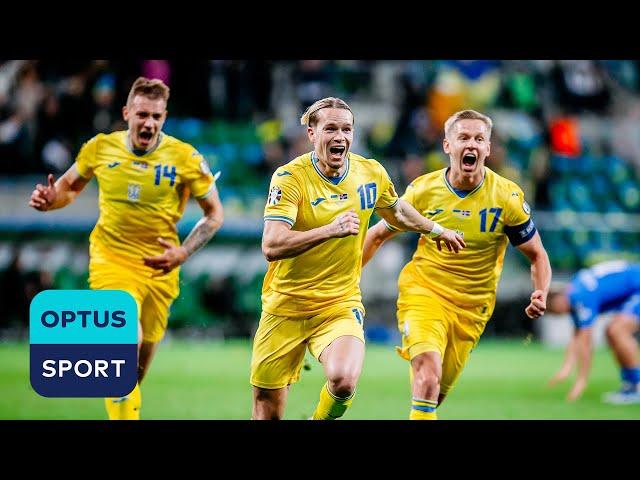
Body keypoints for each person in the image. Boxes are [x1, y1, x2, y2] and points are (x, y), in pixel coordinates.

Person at [251, 97, 465, 420]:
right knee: (267, 412)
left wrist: (436, 229)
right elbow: (272, 243)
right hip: (285, 305)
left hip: (338, 303)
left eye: (347, 129)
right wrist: (329, 230)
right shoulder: (289, 178)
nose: (340, 137)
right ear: (312, 133)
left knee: (343, 381)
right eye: (331, 129)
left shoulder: (370, 173)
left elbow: (396, 210)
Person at [28, 77, 224, 420]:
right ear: (127, 113)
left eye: (157, 117)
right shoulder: (100, 148)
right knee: (122, 346)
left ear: (164, 118)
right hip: (111, 260)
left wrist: (183, 253)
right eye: (142, 114)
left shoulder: (185, 158)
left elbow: (213, 215)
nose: (149, 123)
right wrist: (50, 201)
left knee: (134, 373)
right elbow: (67, 188)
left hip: (161, 269)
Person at [362, 109, 552, 420]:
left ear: (488, 149)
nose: (472, 145)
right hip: (425, 293)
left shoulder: (506, 198)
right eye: (463, 137)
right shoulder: (423, 191)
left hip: (472, 309)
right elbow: (378, 234)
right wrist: (347, 277)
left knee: (433, 394)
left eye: (479, 139)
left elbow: (537, 255)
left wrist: (541, 291)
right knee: (427, 375)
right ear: (448, 145)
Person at [547, 260, 640, 404]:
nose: (557, 315)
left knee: (617, 330)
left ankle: (635, 386)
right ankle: (631, 386)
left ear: (559, 300)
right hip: (634, 287)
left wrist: (581, 381)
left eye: (553, 311)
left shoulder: (581, 296)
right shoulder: (575, 290)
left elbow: (585, 342)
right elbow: (576, 336)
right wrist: (566, 368)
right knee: (612, 331)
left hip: (637, 288)